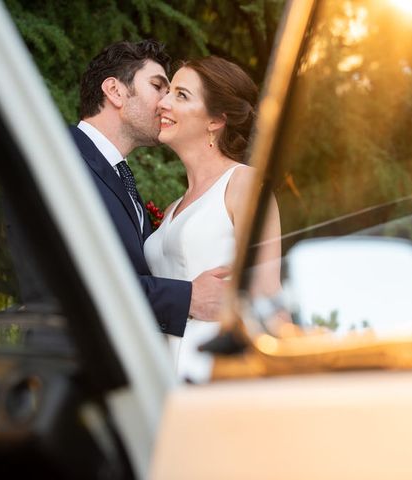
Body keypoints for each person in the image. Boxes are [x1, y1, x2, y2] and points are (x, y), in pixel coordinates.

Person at [69, 40, 228, 337]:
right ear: (115, 91)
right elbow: (76, 279)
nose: (167, 103)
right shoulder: (63, 161)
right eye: (159, 87)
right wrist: (188, 297)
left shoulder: (122, 181)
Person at [144, 56, 281, 382]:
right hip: (164, 378)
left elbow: (267, 299)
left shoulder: (244, 183)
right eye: (167, 93)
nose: (162, 103)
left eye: (181, 95)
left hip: (218, 375)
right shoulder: (175, 206)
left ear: (215, 121)